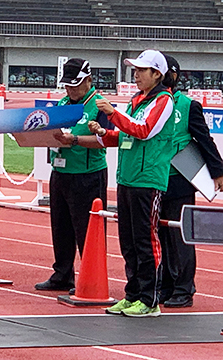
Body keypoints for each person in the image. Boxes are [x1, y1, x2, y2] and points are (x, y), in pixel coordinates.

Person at [84, 49, 175, 317]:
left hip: (148, 179)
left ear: (156, 74)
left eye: (140, 70)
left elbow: (144, 130)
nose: (135, 74)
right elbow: (125, 135)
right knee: (129, 242)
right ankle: (132, 294)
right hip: (127, 177)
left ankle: (149, 300)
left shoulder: (163, 101)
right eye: (134, 69)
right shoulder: (137, 100)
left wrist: (112, 114)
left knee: (146, 241)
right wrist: (103, 133)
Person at [34, 58, 110, 292]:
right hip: (60, 171)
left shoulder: (99, 105)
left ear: (88, 80)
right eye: (67, 85)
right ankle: (62, 274)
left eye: (75, 84)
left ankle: (92, 277)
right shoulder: (63, 103)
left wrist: (75, 140)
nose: (70, 89)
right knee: (61, 226)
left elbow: (106, 140)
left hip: (88, 174)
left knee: (87, 230)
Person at [158, 54, 223, 308]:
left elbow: (204, 139)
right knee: (159, 236)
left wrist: (218, 171)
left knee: (180, 237)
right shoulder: (144, 103)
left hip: (179, 180)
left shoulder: (187, 105)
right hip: (153, 179)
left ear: (171, 75)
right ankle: (165, 284)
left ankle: (184, 288)